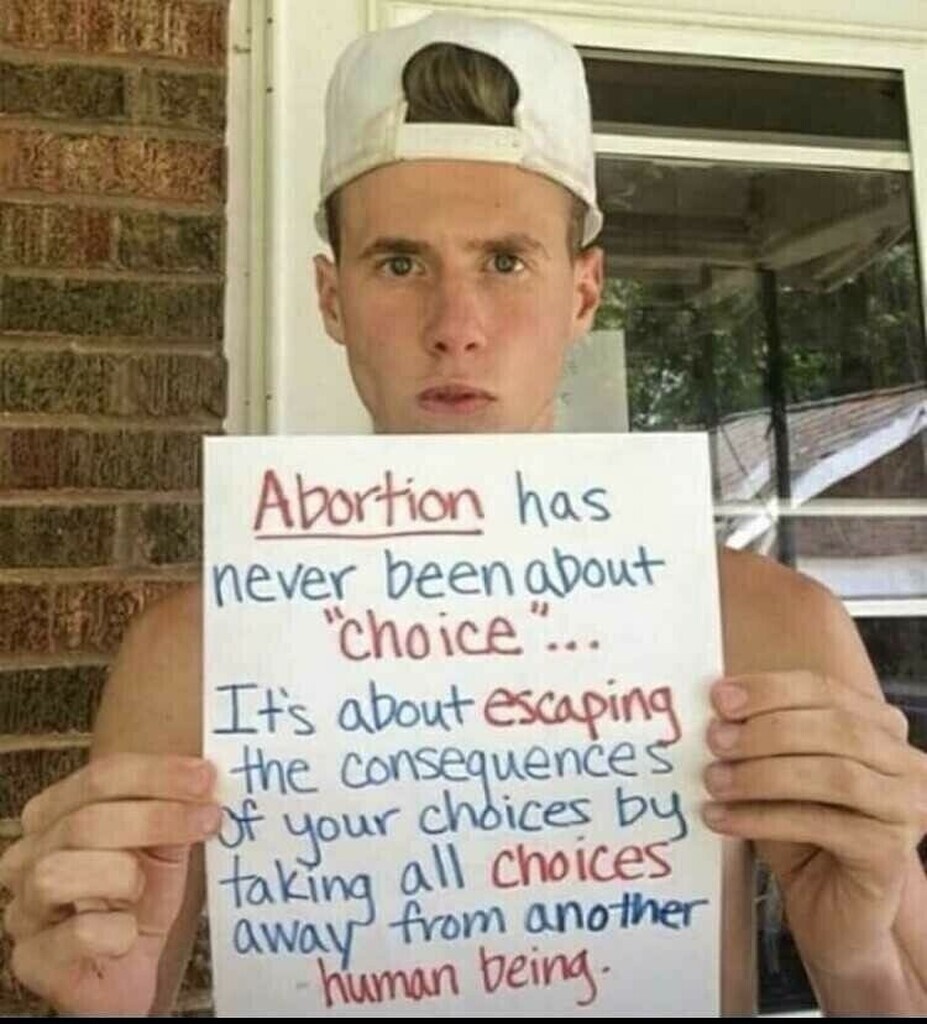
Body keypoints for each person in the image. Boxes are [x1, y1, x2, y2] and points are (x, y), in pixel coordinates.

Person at [1, 12, 925, 1017]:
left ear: (584, 292)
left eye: (505, 260)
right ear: (330, 298)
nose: (456, 328)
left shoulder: (772, 629)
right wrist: (95, 1002)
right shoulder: (189, 655)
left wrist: (860, 960)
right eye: (400, 263)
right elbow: (114, 985)